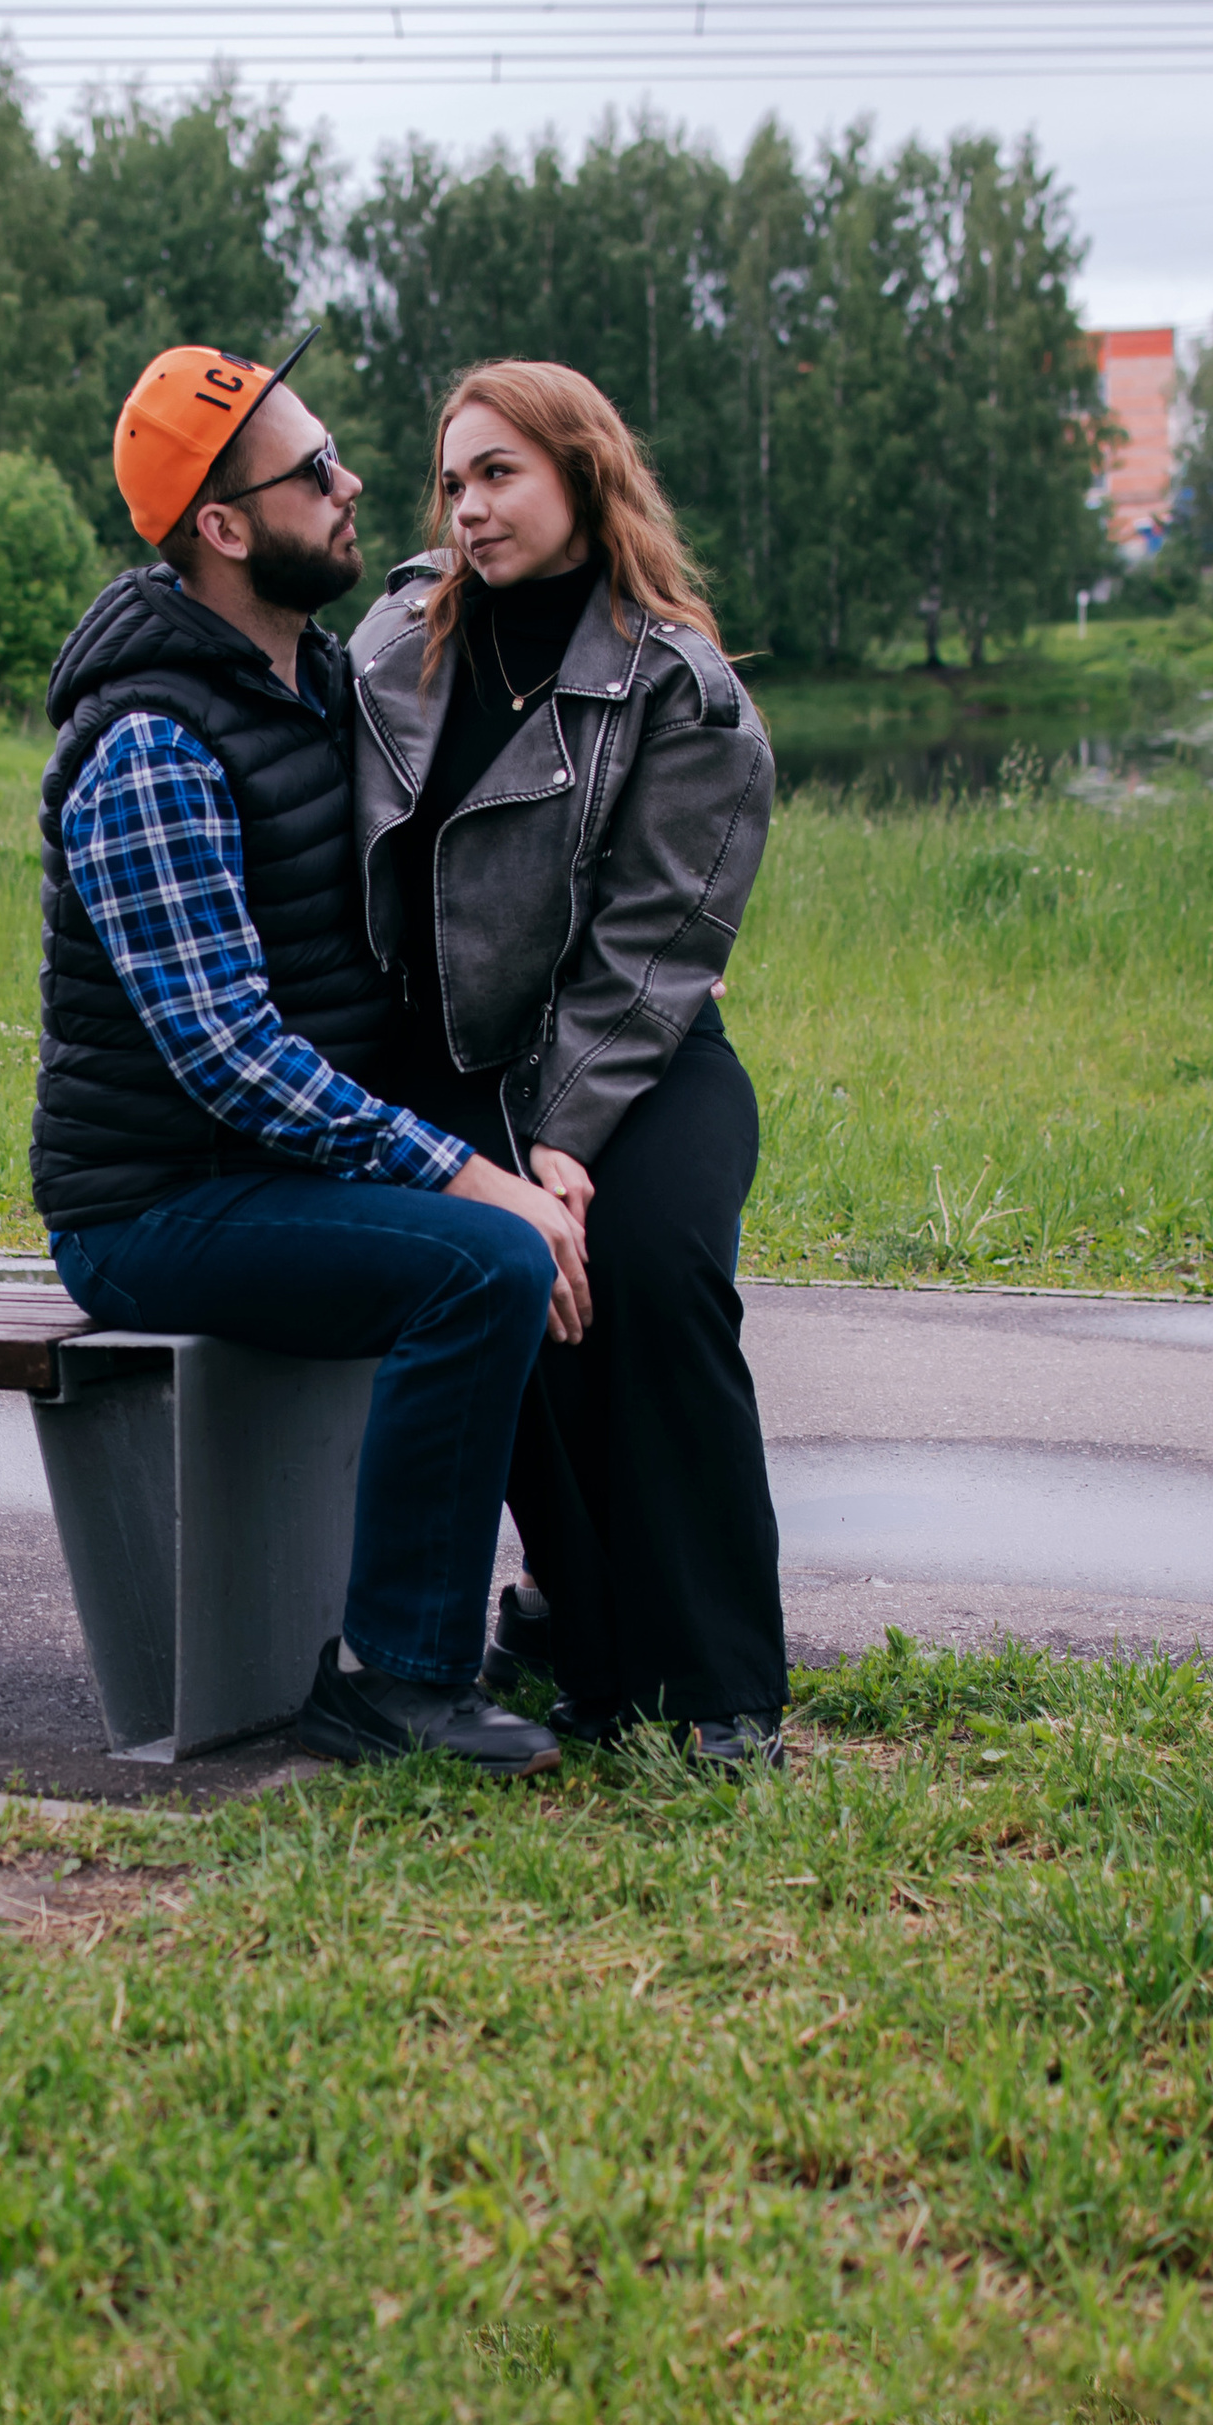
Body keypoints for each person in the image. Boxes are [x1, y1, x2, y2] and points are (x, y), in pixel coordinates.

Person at [35, 332, 593, 1777]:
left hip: (263, 1170)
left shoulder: (314, 678)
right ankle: (395, 1682)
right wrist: (465, 1177)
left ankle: (586, 1609)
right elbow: (226, 1052)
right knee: (484, 1259)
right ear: (223, 528)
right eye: (312, 473)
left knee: (558, 1224)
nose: (355, 486)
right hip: (157, 1201)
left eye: (336, 450)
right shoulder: (151, 741)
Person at [349, 358, 789, 1767]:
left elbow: (659, 942)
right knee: (514, 1281)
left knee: (651, 1276)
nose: (471, 506)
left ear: (583, 476)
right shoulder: (392, 640)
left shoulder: (678, 685)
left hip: (639, 1059)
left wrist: (564, 1144)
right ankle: (588, 1643)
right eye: (455, 478)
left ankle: (720, 1688)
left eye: (503, 473)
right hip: (453, 1069)